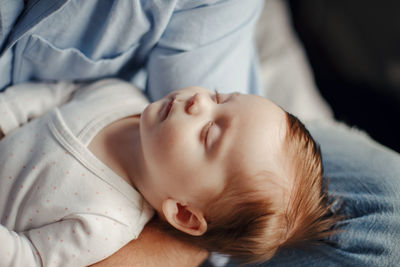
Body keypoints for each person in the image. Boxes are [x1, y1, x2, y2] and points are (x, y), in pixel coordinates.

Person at [0, 78, 339, 266]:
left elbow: (26, 257)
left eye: (208, 133)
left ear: (184, 213)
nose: (199, 102)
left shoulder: (104, 225)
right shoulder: (120, 95)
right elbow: (58, 94)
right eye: (220, 97)